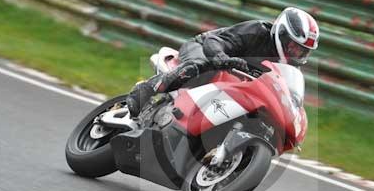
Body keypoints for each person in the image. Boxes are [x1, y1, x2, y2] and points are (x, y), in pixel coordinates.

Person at [125, 7, 320, 117]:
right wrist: (221, 57)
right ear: (282, 34)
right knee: (199, 67)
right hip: (204, 49)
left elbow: (285, 93)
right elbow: (215, 41)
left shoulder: (288, 68)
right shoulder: (257, 31)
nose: (296, 53)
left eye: (302, 51)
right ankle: (146, 90)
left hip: (232, 84)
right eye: (294, 46)